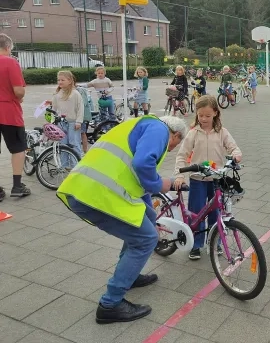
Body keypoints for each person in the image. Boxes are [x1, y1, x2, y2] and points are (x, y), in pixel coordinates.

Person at [56, 115, 187, 324]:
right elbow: (143, 163)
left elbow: (131, 169)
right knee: (146, 239)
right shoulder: (160, 130)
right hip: (98, 193)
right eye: (175, 145)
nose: (170, 150)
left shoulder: (142, 123)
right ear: (176, 135)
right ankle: (111, 304)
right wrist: (161, 184)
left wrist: (151, 207)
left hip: (89, 187)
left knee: (146, 219)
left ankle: (130, 276)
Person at [173, 95, 242, 260]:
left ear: (216, 114)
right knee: (196, 213)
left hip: (217, 179)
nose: (203, 118)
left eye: (207, 115)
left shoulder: (222, 132)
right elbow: (182, 155)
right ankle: (196, 245)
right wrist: (180, 176)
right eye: (200, 115)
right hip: (198, 179)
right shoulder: (193, 134)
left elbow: (233, 147)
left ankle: (215, 242)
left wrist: (236, 155)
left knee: (216, 212)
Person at [0, 33, 31, 199]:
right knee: (18, 148)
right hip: (8, 112)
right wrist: (19, 97)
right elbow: (19, 90)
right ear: (7, 47)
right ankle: (17, 186)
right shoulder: (10, 62)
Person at [52, 71, 84, 163]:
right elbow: (54, 109)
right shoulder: (57, 94)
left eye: (62, 80)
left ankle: (76, 164)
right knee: (63, 144)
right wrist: (53, 121)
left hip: (73, 122)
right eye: (58, 80)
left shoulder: (75, 94)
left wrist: (79, 121)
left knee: (74, 143)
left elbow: (80, 108)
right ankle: (64, 164)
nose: (60, 82)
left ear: (70, 81)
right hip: (61, 123)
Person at [75, 84, 92, 153]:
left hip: (82, 116)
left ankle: (85, 151)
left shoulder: (80, 90)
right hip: (74, 116)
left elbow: (83, 103)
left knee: (82, 133)